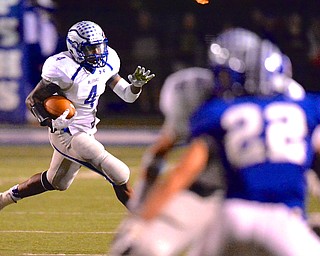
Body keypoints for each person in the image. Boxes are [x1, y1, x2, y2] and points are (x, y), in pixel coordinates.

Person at [111, 28, 320, 256]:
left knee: (141, 246)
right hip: (222, 197)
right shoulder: (299, 103)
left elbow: (178, 167)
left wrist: (141, 218)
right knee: (148, 247)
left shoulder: (213, 106)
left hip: (232, 210)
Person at [0, 20, 155, 211]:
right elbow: (32, 100)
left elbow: (127, 96)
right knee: (120, 173)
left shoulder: (108, 61)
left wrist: (136, 86)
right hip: (65, 131)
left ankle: (4, 198)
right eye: (91, 49)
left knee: (55, 181)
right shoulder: (62, 68)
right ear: (76, 48)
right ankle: (146, 219)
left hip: (86, 131)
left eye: (99, 47)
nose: (97, 53)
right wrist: (51, 122)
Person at [110, 67, 225, 256]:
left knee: (139, 247)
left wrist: (141, 221)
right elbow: (160, 153)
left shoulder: (214, 124)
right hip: (260, 204)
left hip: (238, 202)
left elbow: (180, 175)